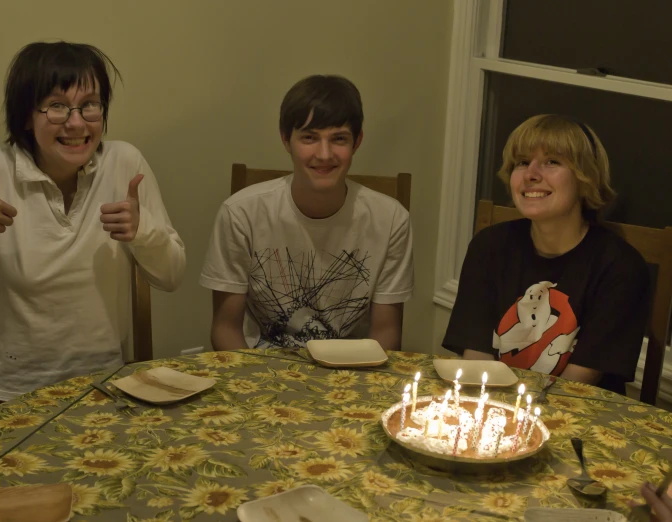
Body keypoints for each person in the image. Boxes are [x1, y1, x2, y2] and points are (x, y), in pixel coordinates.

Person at [0, 41, 185, 436]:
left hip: (98, 394)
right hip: (3, 396)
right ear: (27, 116)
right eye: (57, 106)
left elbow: (172, 275)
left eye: (90, 105)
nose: (77, 123)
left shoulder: (124, 162)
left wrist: (142, 231)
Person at [200, 75, 414, 351]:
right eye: (310, 138)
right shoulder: (241, 213)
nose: (324, 155)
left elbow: (386, 335)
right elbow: (225, 328)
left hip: (353, 371)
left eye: (338, 139)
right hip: (259, 369)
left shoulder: (391, 220)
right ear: (286, 140)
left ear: (357, 142)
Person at [442, 114, 649, 394]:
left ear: (585, 177)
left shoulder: (621, 266)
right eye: (522, 162)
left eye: (552, 161)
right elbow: (477, 361)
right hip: (494, 406)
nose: (531, 174)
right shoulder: (489, 246)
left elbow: (575, 387)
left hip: (577, 415)